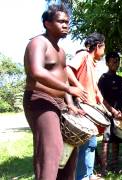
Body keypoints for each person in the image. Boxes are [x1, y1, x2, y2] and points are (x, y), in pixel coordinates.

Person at [23, 4, 87, 180]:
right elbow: (36, 71)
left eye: (68, 22)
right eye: (61, 21)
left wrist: (69, 104)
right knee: (52, 150)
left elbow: (64, 78)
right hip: (40, 100)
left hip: (59, 104)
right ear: (47, 23)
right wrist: (68, 89)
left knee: (70, 150)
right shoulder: (37, 43)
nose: (66, 25)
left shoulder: (61, 51)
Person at [67, 32, 120, 180]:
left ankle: (88, 175)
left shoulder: (92, 64)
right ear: (98, 46)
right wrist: (78, 87)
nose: (104, 51)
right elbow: (68, 69)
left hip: (90, 111)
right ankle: (82, 176)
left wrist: (112, 110)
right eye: (104, 47)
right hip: (81, 110)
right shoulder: (83, 55)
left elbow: (98, 94)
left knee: (90, 144)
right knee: (85, 145)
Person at [97, 52, 122, 175]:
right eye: (113, 61)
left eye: (117, 61)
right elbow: (101, 99)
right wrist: (113, 111)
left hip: (120, 116)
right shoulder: (104, 79)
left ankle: (114, 166)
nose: (116, 63)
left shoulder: (121, 80)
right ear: (107, 63)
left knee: (117, 141)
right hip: (107, 115)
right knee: (106, 141)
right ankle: (104, 169)